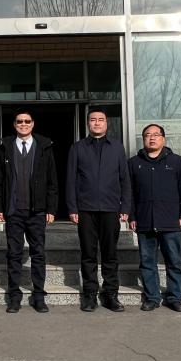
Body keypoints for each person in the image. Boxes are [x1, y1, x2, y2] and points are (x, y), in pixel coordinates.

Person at [66, 108, 132, 312]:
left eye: (100, 120)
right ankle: (90, 294)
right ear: (88, 123)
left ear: (106, 123)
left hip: (111, 209)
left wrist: (125, 206)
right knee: (88, 253)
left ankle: (111, 294)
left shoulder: (117, 147)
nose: (97, 123)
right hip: (85, 210)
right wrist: (72, 207)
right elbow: (71, 180)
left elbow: (124, 179)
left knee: (110, 254)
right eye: (93, 120)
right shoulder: (78, 148)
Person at [0, 109, 58, 314]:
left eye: (27, 121)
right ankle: (14, 297)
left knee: (38, 253)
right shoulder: (5, 147)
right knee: (14, 254)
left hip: (37, 211)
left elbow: (52, 180)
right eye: (19, 121)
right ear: (14, 124)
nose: (23, 124)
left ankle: (38, 296)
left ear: (33, 124)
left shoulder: (44, 147)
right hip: (13, 211)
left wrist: (51, 208)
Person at [129, 124, 181, 313]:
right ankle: (152, 298)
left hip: (170, 221)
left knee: (174, 261)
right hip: (144, 220)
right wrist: (132, 216)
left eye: (156, 135)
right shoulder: (133, 163)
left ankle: (175, 298)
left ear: (163, 139)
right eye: (147, 135)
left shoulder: (177, 162)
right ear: (143, 139)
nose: (152, 138)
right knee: (147, 262)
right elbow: (129, 192)